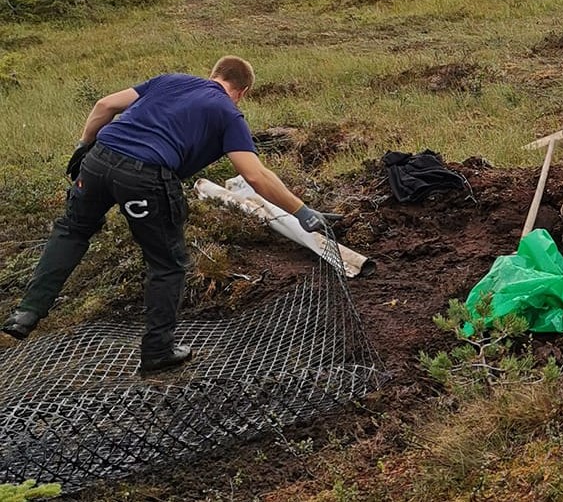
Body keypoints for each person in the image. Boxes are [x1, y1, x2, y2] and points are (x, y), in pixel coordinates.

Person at [1, 57, 338, 373]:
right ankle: (158, 352)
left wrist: (83, 145)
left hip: (99, 160)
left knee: (72, 231)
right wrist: (301, 211)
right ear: (243, 91)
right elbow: (255, 175)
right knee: (167, 264)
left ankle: (27, 311)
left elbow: (105, 105)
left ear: (213, 74)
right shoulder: (228, 113)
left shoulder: (171, 80)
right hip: (146, 178)